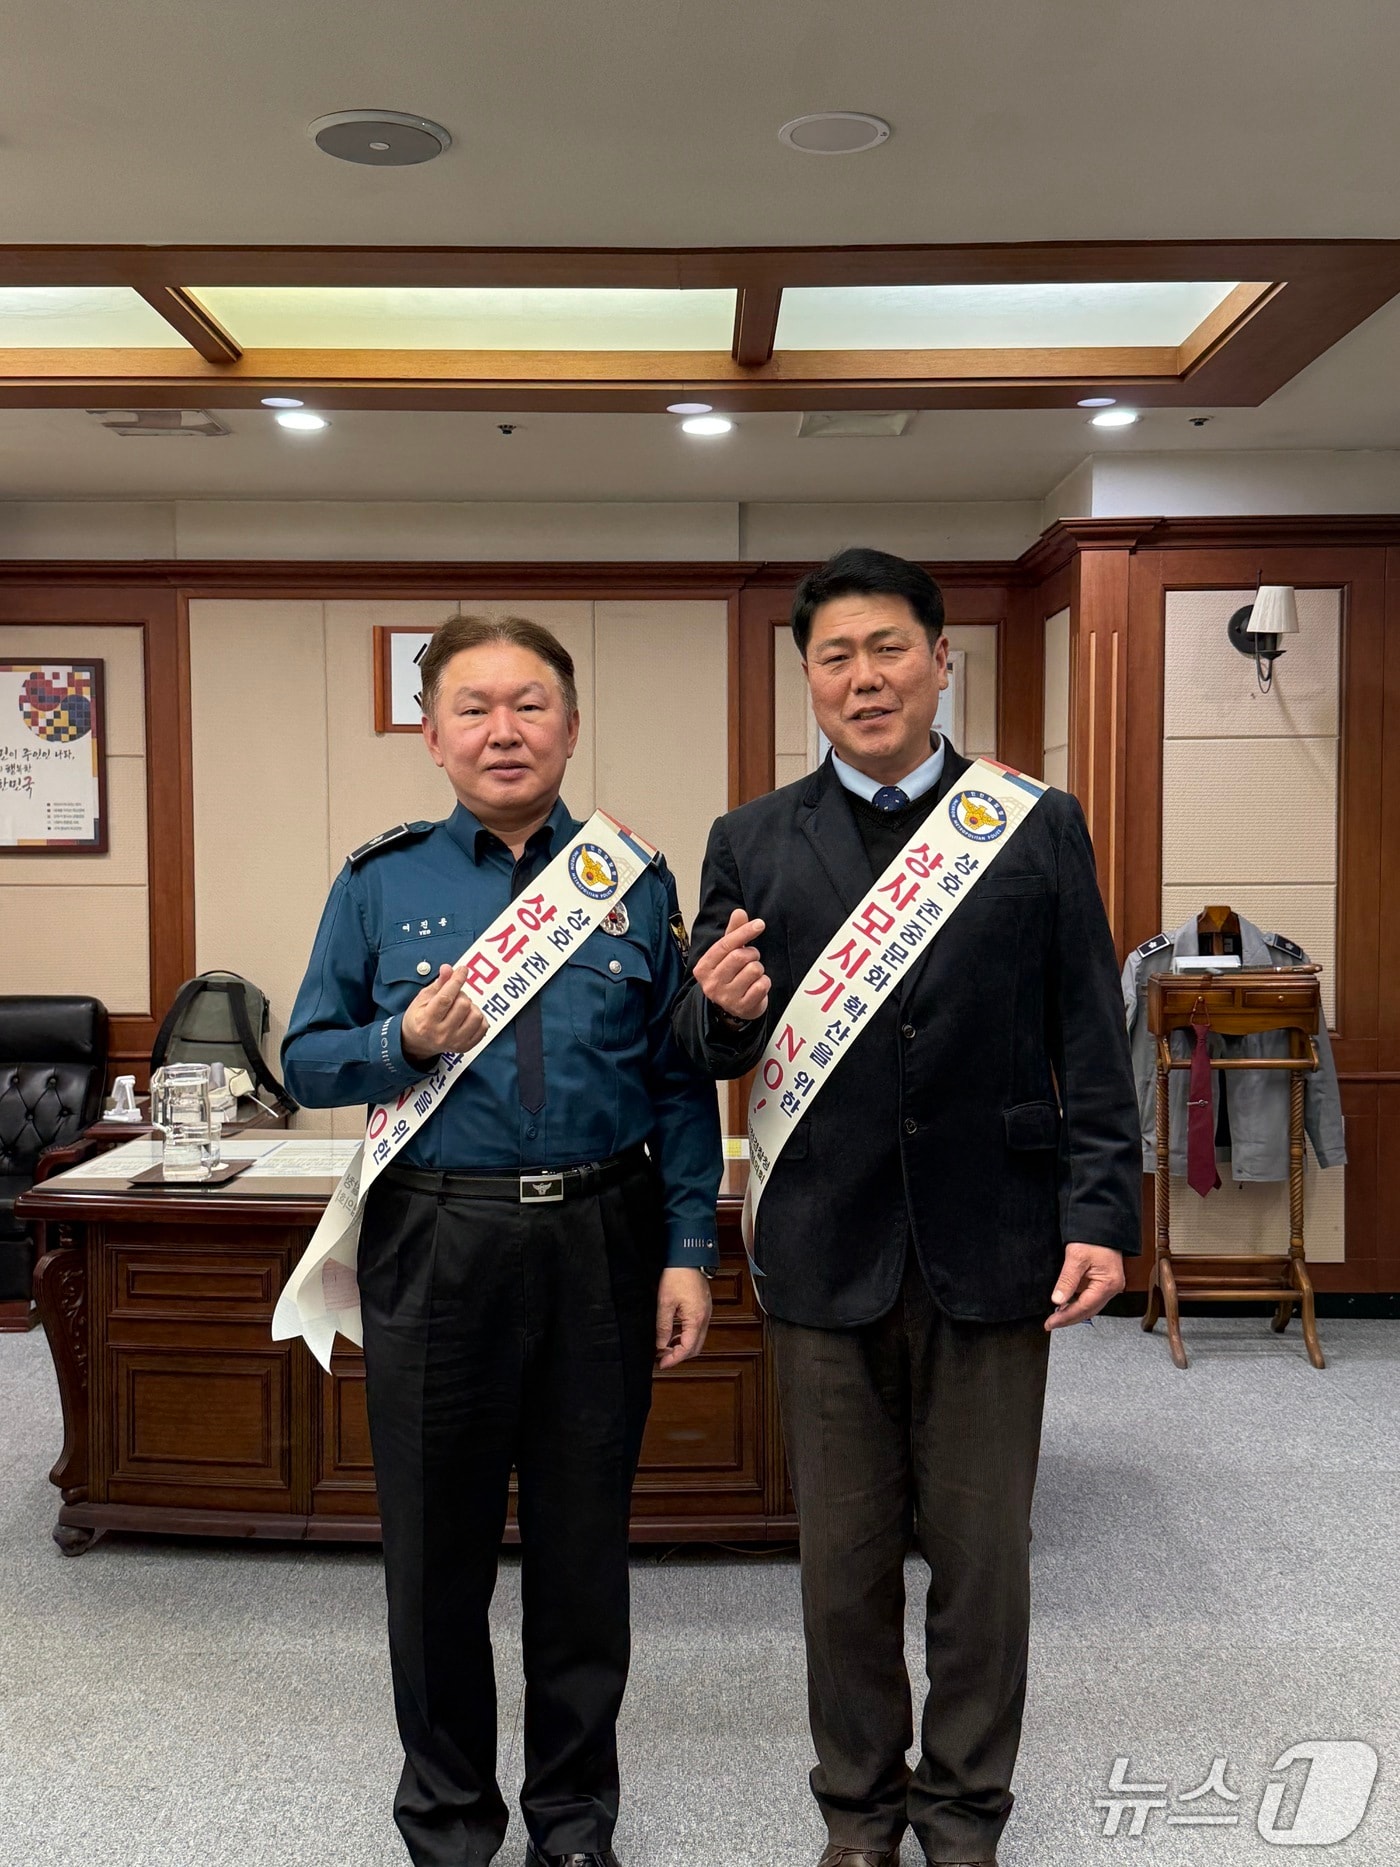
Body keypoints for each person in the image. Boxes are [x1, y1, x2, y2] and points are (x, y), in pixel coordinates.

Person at [672, 547, 1141, 1867]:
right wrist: (715, 1009)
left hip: (995, 1243)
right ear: (809, 680)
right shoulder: (753, 838)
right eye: (835, 656)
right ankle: (860, 1808)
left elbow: (1089, 1036)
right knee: (844, 1567)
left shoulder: (1032, 824)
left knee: (986, 1563)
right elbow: (707, 1044)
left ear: (943, 659)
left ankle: (966, 1807)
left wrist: (1101, 1208)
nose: (864, 677)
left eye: (889, 648)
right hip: (825, 1247)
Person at [282, 613, 721, 1867]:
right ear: (431, 736)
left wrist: (687, 1245)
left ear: (569, 727)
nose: (503, 730)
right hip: (436, 1239)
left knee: (583, 1553)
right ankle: (449, 1824)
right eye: (472, 708)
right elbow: (306, 1057)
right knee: (434, 1555)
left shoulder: (631, 882)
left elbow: (678, 1079)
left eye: (529, 705)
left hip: (602, 1234)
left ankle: (574, 1823)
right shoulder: (381, 882)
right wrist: (398, 1044)